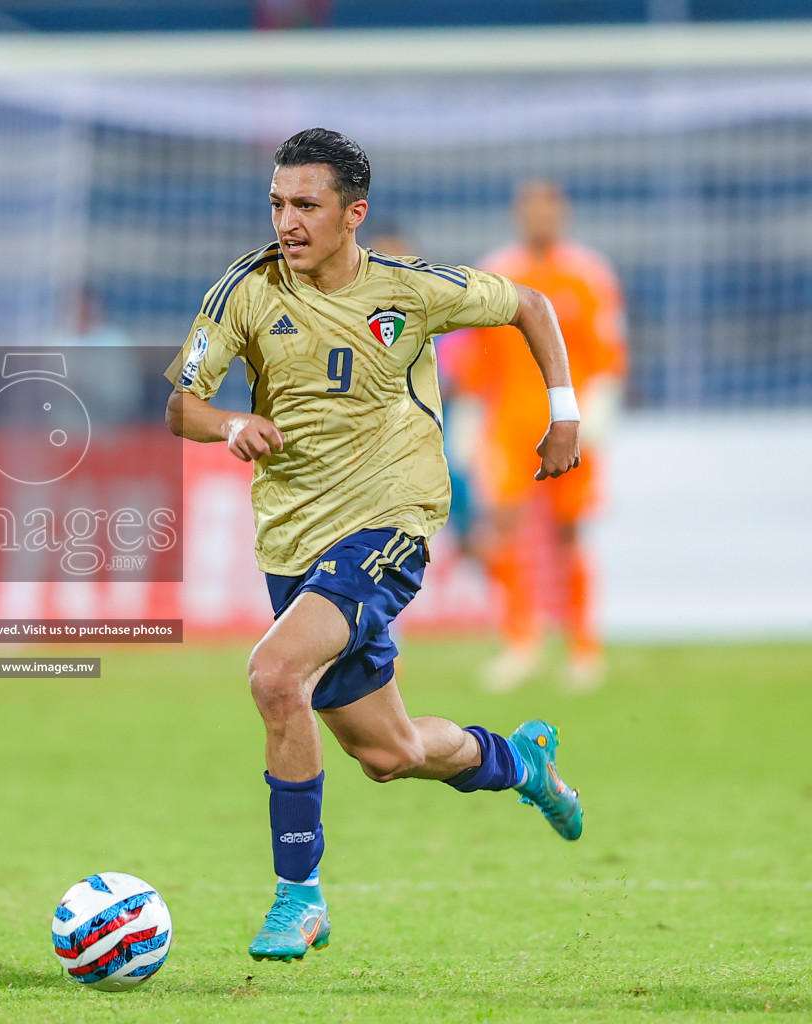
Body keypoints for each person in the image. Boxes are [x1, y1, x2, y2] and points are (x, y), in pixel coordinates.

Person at [164, 128, 585, 963]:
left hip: (392, 519)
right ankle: (521, 763)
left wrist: (563, 412)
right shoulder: (244, 292)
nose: (287, 220)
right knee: (388, 754)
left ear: (354, 214)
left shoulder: (411, 291)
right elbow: (182, 404)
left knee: (274, 676)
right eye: (278, 203)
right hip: (294, 542)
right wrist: (230, 423)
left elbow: (530, 305)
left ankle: (298, 897)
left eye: (306, 206)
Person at [453, 181, 628, 693]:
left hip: (569, 422)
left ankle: (583, 646)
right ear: (517, 215)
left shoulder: (588, 275)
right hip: (510, 424)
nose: (539, 217)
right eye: (530, 209)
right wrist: (468, 410)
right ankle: (520, 643)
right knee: (502, 528)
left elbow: (607, 349)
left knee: (570, 531)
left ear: (563, 213)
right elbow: (476, 354)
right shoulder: (496, 273)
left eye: (548, 208)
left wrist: (598, 406)